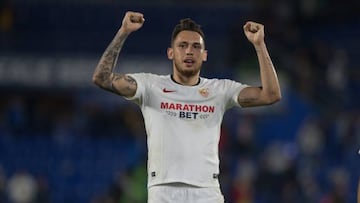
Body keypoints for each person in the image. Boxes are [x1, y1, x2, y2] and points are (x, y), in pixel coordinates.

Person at [92, 11, 281, 203]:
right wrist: (123, 32)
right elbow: (102, 78)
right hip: (164, 192)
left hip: (207, 192)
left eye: (196, 46)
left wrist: (259, 45)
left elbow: (271, 95)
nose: (189, 51)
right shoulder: (150, 86)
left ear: (205, 55)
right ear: (171, 53)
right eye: (182, 46)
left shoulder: (220, 90)